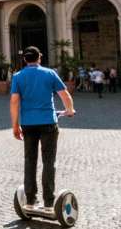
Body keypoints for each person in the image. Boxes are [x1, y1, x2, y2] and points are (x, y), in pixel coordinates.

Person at [10, 46, 75, 209]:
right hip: (48, 122)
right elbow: (65, 95)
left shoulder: (17, 77)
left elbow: (14, 101)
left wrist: (15, 125)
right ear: (39, 58)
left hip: (28, 124)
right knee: (48, 162)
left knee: (29, 161)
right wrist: (70, 109)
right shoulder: (50, 73)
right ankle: (49, 201)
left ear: (25, 59)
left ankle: (31, 199)